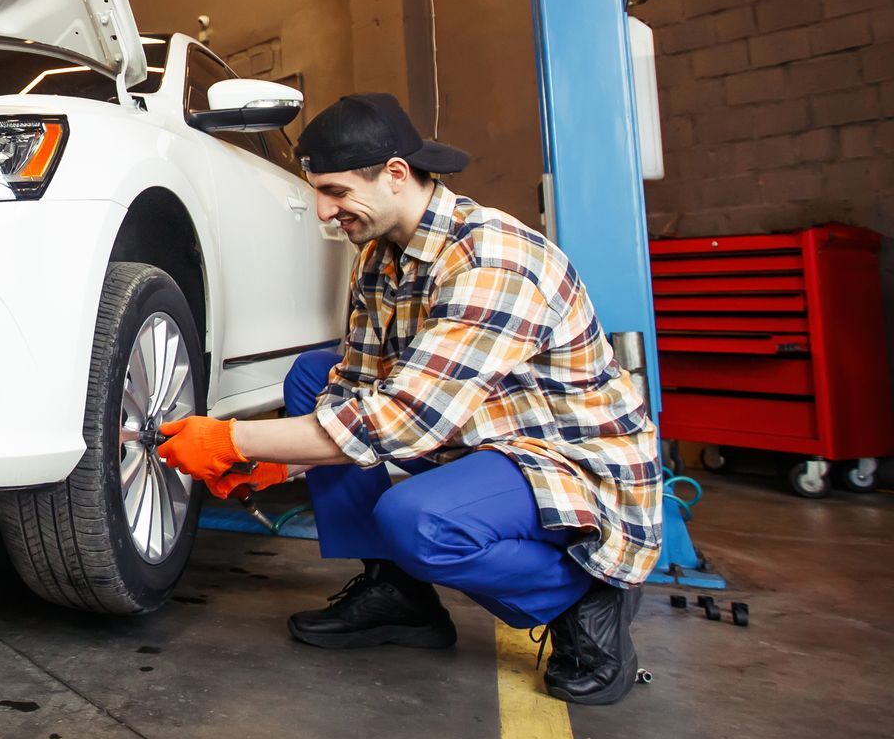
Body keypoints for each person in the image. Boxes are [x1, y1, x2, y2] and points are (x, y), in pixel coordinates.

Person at [156, 92, 661, 705]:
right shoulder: (379, 258)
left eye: (336, 192)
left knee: (417, 522)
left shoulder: (492, 260)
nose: (322, 211)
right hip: (478, 433)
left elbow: (401, 421)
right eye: (317, 190)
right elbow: (353, 387)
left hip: (567, 464)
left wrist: (232, 437)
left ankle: (585, 593)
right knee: (313, 379)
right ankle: (398, 595)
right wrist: (277, 462)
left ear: (395, 174)